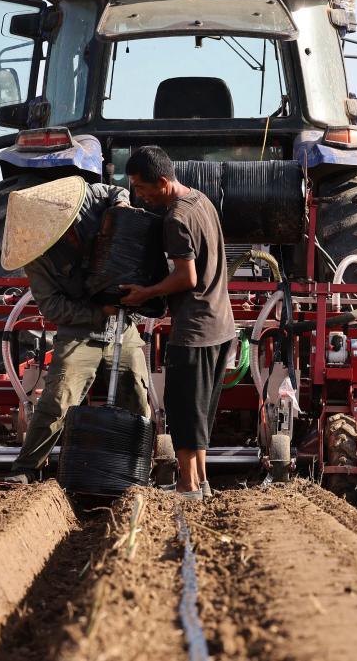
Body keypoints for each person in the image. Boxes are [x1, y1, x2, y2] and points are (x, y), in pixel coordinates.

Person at [2, 175, 150, 483]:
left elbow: (117, 189)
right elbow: (52, 307)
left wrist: (122, 204)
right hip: (80, 329)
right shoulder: (38, 258)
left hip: (122, 325)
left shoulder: (91, 199)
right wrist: (98, 313)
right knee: (58, 399)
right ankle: (27, 468)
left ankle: (140, 471)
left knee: (137, 396)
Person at [120, 146, 235, 501]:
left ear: (163, 182)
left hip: (195, 330)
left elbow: (187, 277)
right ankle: (201, 481)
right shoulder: (201, 200)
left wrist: (147, 292)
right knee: (199, 412)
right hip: (221, 325)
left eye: (142, 188)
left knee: (184, 410)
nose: (140, 195)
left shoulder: (176, 219)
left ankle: (187, 485)